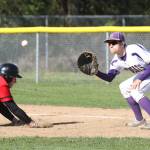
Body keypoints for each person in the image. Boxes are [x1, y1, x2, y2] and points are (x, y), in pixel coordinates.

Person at [96, 32, 150, 129]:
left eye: (113, 42)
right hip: (145, 75)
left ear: (122, 43)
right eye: (109, 43)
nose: (111, 45)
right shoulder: (116, 60)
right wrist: (96, 72)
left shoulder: (133, 49)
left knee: (135, 90)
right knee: (124, 87)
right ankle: (140, 120)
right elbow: (110, 77)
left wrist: (140, 79)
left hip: (147, 73)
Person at [0, 63, 37, 127]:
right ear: (8, 77)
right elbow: (13, 108)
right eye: (14, 77)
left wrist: (14, 120)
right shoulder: (2, 84)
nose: (15, 81)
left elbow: (1, 107)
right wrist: (30, 122)